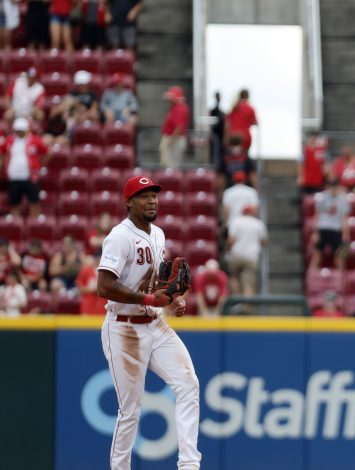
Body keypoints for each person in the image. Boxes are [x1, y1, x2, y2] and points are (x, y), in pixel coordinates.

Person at [96, 175, 200, 470]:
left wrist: (173, 299)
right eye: (143, 195)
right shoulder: (119, 236)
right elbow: (104, 285)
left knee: (188, 384)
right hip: (124, 327)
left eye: (154, 194)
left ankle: (189, 465)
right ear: (129, 202)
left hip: (154, 324)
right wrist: (149, 301)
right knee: (130, 410)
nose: (151, 199)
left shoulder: (158, 234)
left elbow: (156, 285)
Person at [1, 117, 49, 216]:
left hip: (30, 177)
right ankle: (16, 225)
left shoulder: (34, 140)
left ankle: (35, 226)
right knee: (14, 203)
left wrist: (40, 165)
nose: (19, 133)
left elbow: (47, 152)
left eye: (21, 130)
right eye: (18, 130)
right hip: (14, 177)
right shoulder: (9, 140)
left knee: (34, 201)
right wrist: (4, 164)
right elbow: (2, 152)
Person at [308, 179, 350, 272]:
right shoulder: (322, 197)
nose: (333, 189)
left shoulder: (342, 199)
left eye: (335, 186)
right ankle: (311, 278)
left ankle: (341, 280)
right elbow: (317, 215)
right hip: (323, 228)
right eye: (331, 186)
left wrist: (345, 234)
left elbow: (344, 218)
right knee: (316, 256)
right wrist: (315, 232)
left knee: (339, 257)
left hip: (336, 229)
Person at [226, 205, 268, 296]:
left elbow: (231, 240)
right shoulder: (258, 223)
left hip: (237, 254)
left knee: (234, 277)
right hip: (252, 256)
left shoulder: (236, 222)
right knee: (248, 283)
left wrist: (228, 250)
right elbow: (264, 241)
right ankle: (246, 307)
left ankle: (236, 300)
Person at [160, 86, 189, 168]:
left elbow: (179, 126)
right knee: (167, 164)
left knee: (171, 166)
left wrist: (171, 139)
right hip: (173, 138)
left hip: (175, 139)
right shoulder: (175, 107)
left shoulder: (179, 108)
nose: (169, 100)